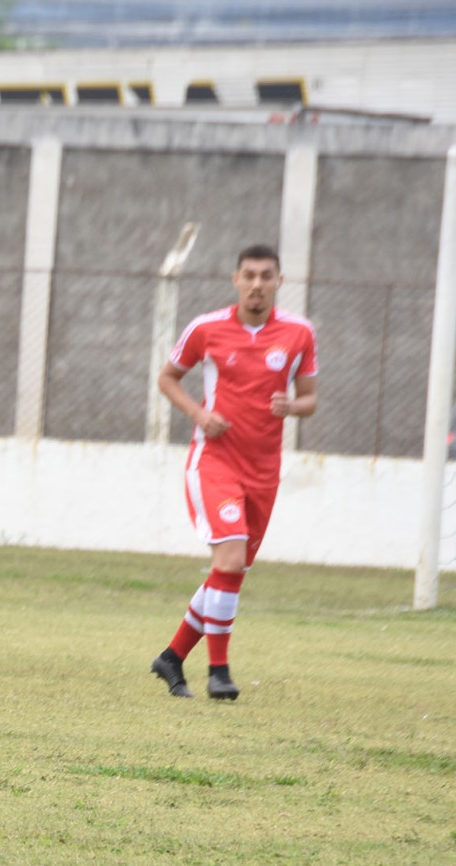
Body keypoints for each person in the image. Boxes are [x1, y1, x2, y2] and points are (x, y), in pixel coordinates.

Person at [150, 244, 318, 700]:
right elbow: (168, 378)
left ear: (279, 281)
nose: (257, 284)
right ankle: (219, 673)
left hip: (264, 469)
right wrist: (200, 415)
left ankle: (171, 657)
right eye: (249, 275)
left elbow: (310, 399)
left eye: (266, 276)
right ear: (235, 279)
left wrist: (292, 406)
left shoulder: (299, 334)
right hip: (215, 462)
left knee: (231, 572)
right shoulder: (207, 329)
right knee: (228, 562)